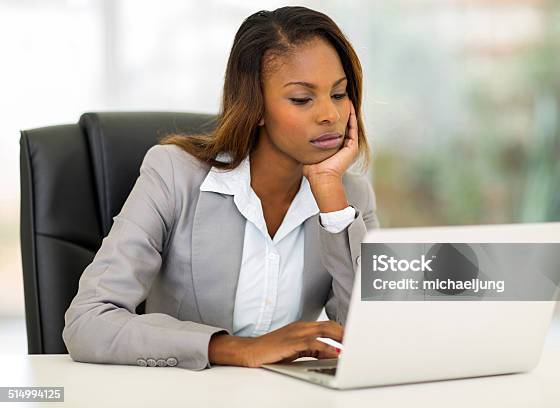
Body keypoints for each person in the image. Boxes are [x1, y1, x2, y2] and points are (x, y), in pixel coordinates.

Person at [62, 6, 379, 371]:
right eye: (301, 99)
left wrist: (332, 204)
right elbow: (88, 321)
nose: (331, 115)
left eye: (339, 95)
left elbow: (374, 337)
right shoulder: (173, 175)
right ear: (255, 105)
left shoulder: (350, 198)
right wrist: (235, 348)